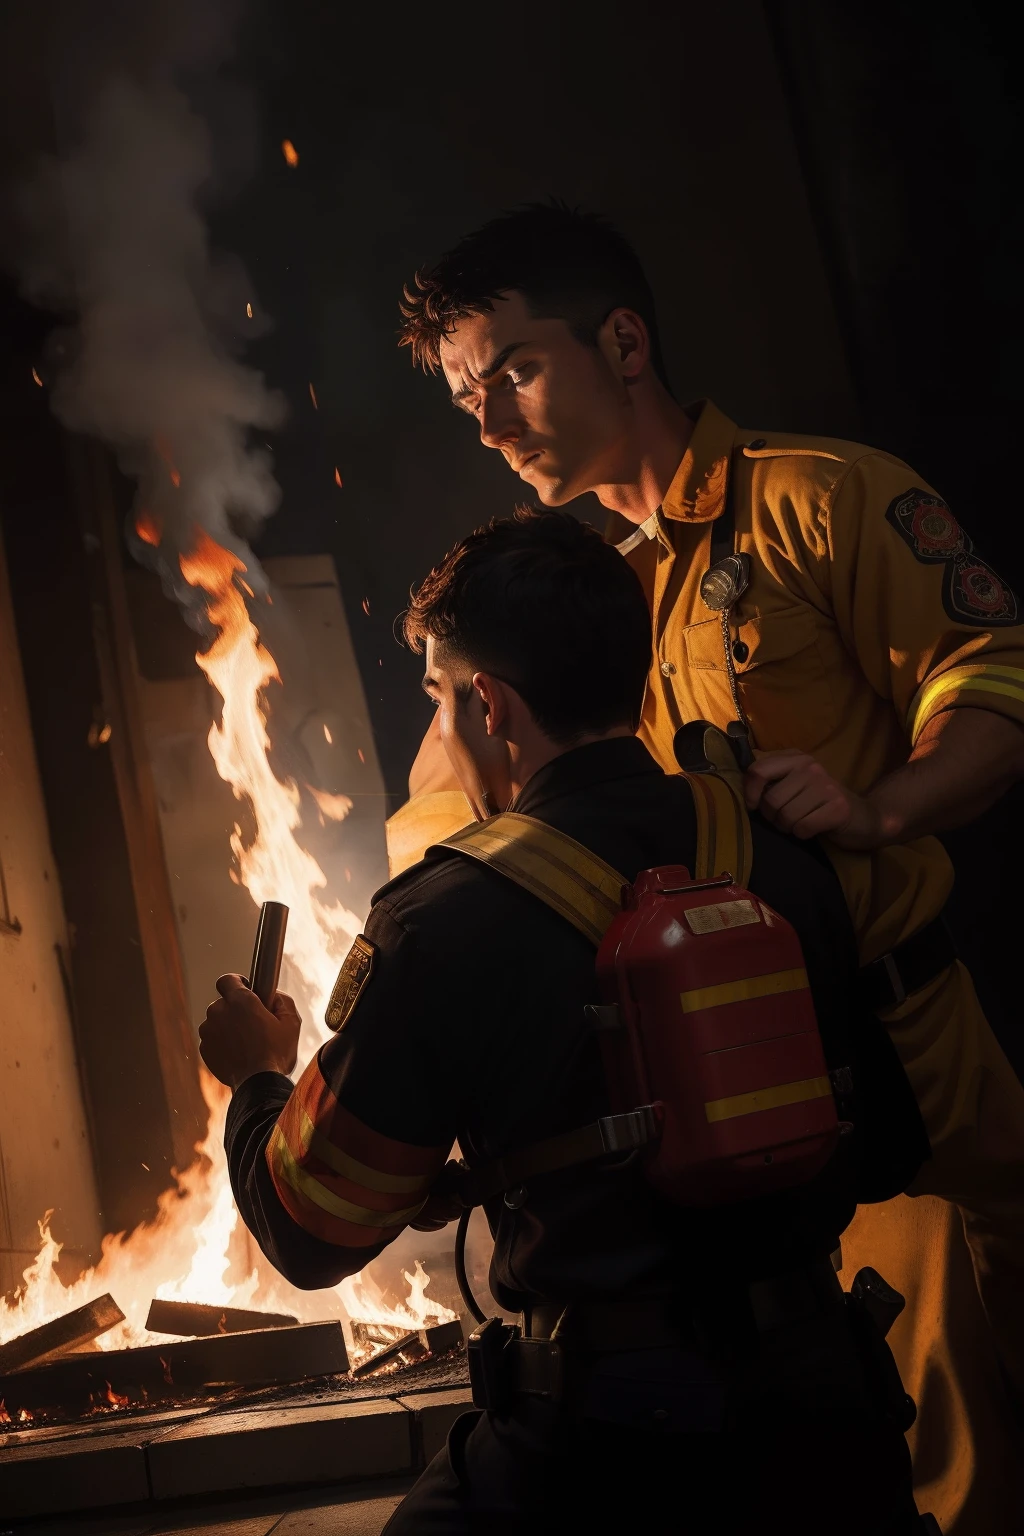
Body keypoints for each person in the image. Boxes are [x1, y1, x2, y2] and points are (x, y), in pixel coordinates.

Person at [396, 204, 1024, 1526]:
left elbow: (996, 682)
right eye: (466, 397)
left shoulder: (824, 496)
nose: (490, 421)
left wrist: (877, 805)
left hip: (901, 1075)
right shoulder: (570, 600)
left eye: (511, 368)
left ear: (624, 340)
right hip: (703, 1125)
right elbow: (442, 809)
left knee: (960, 1464)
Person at [200, 510, 929, 1535]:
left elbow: (311, 1230)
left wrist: (257, 1079)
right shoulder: (774, 859)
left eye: (437, 699)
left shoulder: (441, 920)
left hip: (604, 1445)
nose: (443, 732)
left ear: (488, 705)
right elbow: (890, 1147)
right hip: (828, 1412)